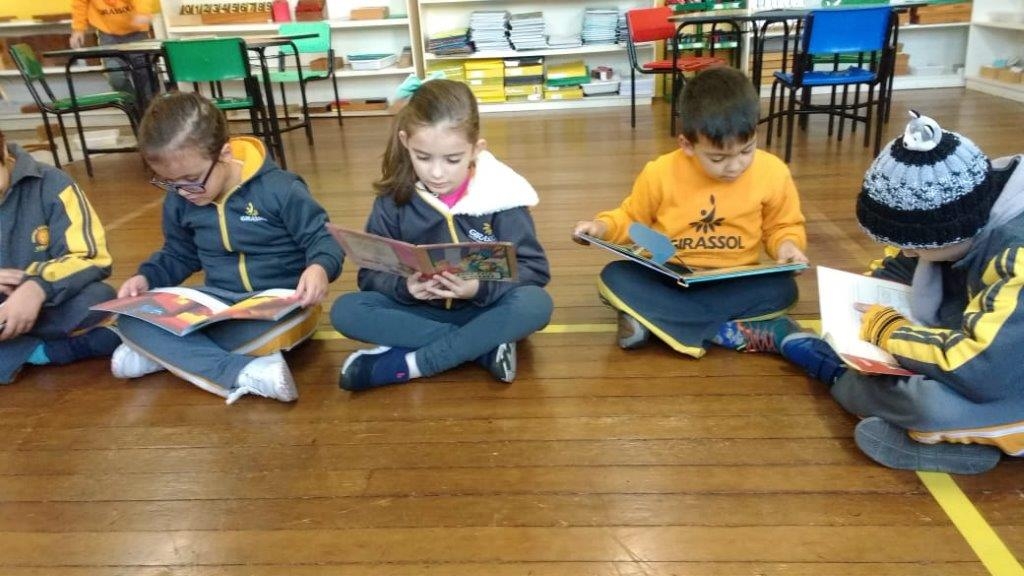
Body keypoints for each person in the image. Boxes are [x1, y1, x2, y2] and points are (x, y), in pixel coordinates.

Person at [782, 111, 1024, 474]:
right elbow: (905, 261)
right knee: (912, 382)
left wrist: (890, 332)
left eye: (914, 245)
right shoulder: (968, 201)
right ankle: (942, 437)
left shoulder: (1017, 254)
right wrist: (866, 295)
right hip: (995, 357)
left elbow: (980, 370)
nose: (907, 252)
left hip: (1000, 374)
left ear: (951, 233)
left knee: (928, 405)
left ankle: (838, 375)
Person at [111, 92, 343, 404]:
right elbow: (179, 253)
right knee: (129, 320)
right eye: (170, 182)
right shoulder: (181, 198)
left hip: (284, 307)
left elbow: (324, 239)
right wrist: (146, 278)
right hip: (218, 305)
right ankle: (239, 370)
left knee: (256, 334)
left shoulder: (281, 189)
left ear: (225, 153)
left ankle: (169, 355)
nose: (184, 192)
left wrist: (319, 267)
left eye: (192, 179)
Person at [572, 66, 812, 363]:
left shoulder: (773, 171)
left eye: (746, 151)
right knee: (614, 276)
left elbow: (783, 226)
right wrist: (601, 227)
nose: (735, 166)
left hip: (735, 279)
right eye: (718, 158)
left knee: (784, 289)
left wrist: (788, 246)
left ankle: (656, 321)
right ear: (686, 144)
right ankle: (727, 330)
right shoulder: (660, 172)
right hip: (672, 276)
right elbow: (632, 220)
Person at [330, 77, 553, 391]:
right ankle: (482, 349)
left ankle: (412, 364)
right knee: (346, 311)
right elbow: (370, 277)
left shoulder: (503, 196)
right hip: (421, 314)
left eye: (452, 159)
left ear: (476, 149)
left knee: (535, 304)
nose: (436, 172)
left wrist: (478, 289)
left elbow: (534, 270)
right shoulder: (392, 201)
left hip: (485, 309)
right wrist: (406, 288)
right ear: (406, 142)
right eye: (423, 157)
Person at [0, 129, 121, 384]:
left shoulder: (53, 184)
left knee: (98, 297)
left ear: (2, 149)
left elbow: (91, 256)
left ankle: (18, 348)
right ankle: (50, 351)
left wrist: (38, 286)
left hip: (46, 304)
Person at [70, 0, 156, 112]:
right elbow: (79, 4)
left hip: (137, 32)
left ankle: (151, 111)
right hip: (108, 34)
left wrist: (143, 13)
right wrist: (78, 29)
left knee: (145, 76)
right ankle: (135, 110)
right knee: (115, 77)